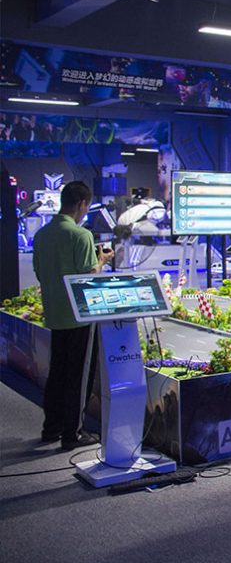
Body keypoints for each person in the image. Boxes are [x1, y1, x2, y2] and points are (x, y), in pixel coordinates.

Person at [32, 181, 114, 450]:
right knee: (79, 376)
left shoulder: (42, 235)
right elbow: (89, 278)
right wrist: (102, 261)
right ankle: (73, 433)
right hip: (79, 316)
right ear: (82, 204)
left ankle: (51, 428)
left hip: (54, 313)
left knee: (57, 371)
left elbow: (39, 272)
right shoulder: (81, 236)